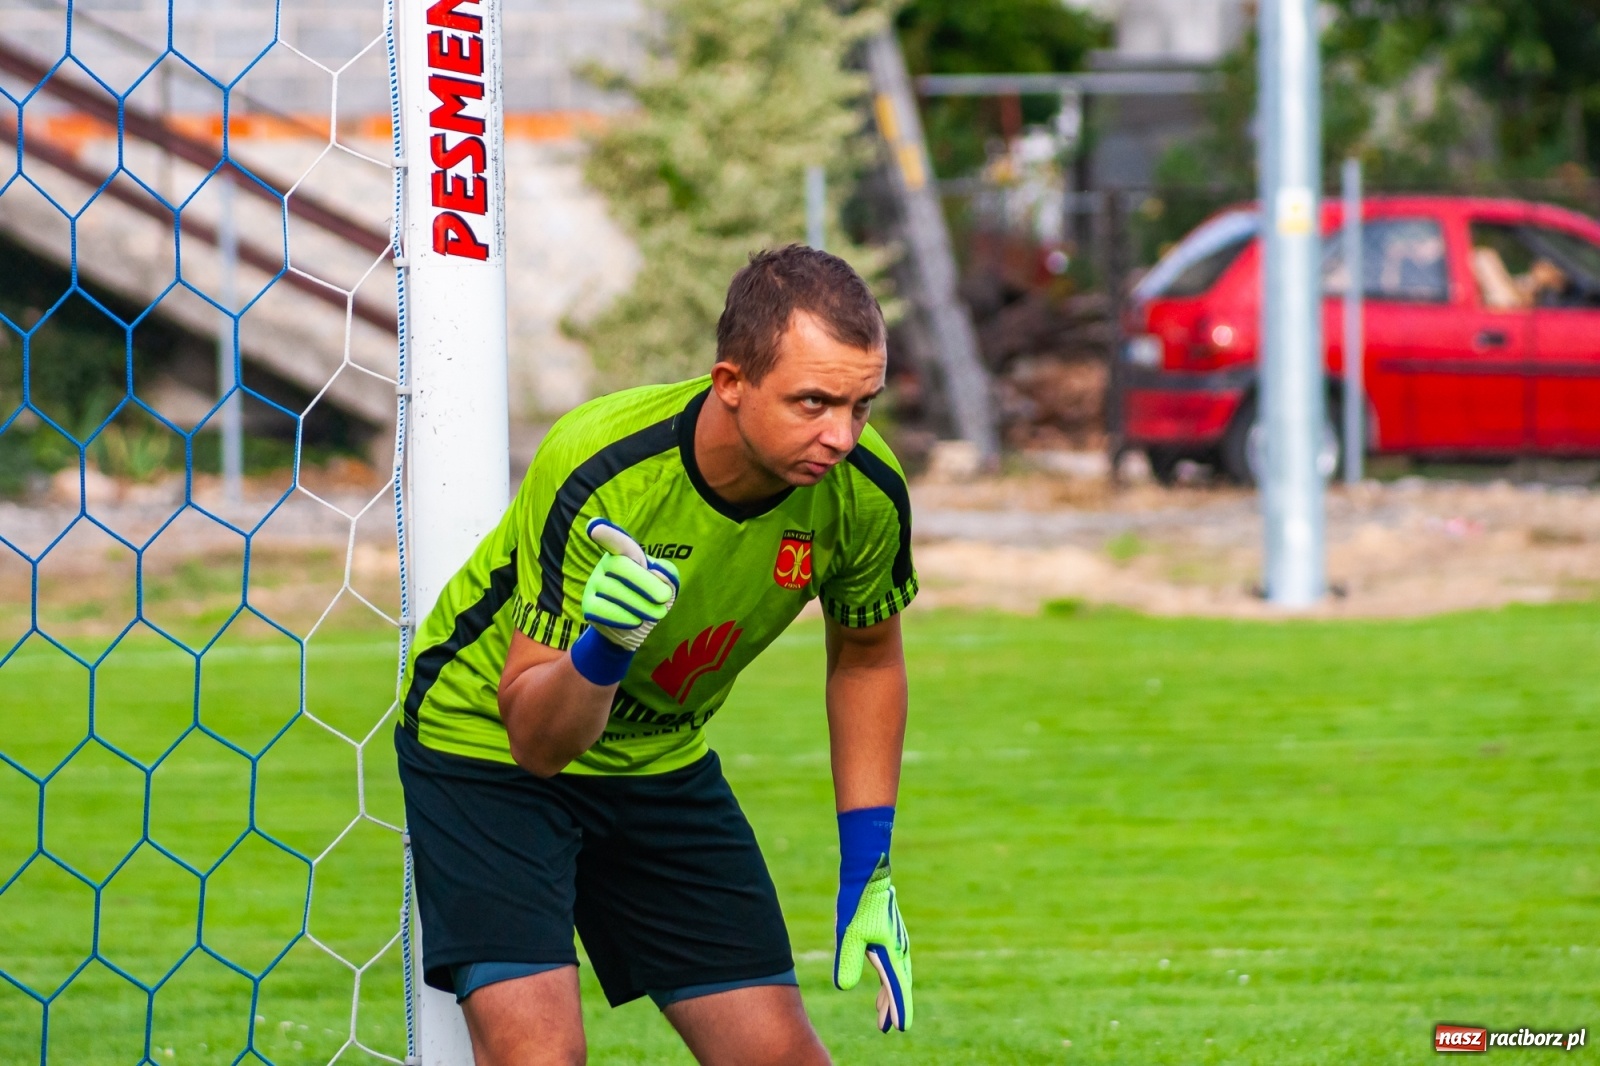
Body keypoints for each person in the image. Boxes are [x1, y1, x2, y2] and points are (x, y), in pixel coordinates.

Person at [395, 245, 917, 1066]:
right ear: (730, 382)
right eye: (813, 402)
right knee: (541, 1058)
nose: (841, 436)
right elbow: (536, 743)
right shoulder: (602, 467)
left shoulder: (866, 494)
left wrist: (869, 867)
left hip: (658, 759)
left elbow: (867, 659)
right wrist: (605, 647)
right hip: (486, 749)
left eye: (861, 405)